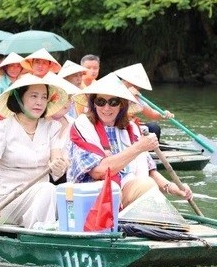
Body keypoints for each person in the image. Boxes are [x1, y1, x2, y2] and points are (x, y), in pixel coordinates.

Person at [67, 74, 192, 207]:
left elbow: (151, 171)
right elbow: (98, 171)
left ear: (122, 105)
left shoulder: (132, 129)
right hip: (91, 197)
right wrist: (138, 147)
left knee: (147, 185)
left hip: (125, 191)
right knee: (144, 186)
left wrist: (172, 187)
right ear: (94, 104)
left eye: (113, 102)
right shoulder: (82, 126)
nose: (106, 108)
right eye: (101, 102)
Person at [0, 74, 72, 228]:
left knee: (54, 190)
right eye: (33, 96)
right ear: (19, 98)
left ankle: (43, 229)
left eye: (44, 97)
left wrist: (60, 166)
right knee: (47, 189)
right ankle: (43, 231)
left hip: (42, 198)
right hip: (7, 201)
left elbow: (57, 167)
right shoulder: (1, 129)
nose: (39, 102)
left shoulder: (52, 127)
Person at [114, 63, 174, 141]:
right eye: (133, 83)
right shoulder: (114, 91)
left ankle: (150, 150)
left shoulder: (136, 95)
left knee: (154, 127)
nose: (136, 87)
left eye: (137, 85)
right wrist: (127, 100)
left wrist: (163, 114)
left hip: (130, 124)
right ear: (126, 80)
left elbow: (151, 113)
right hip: (115, 125)